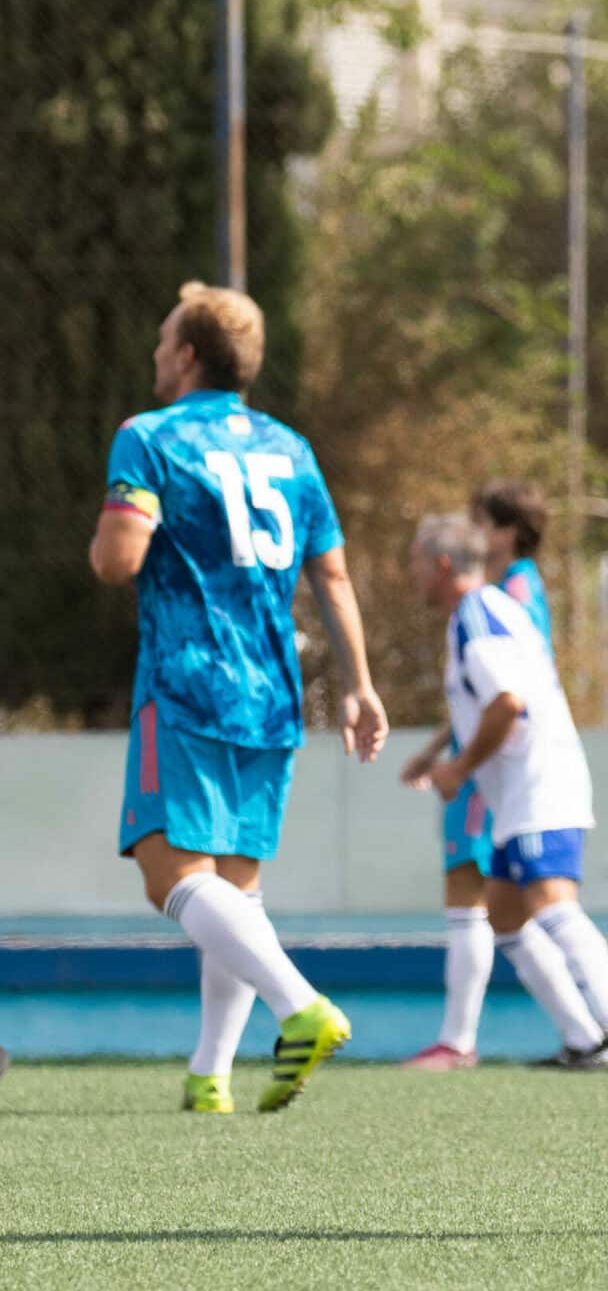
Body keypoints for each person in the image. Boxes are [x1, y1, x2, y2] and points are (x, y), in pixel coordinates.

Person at [89, 280, 386, 1114]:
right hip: (273, 690)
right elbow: (331, 572)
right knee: (234, 885)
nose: (154, 353)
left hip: (186, 683)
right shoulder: (291, 450)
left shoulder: (147, 438)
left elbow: (117, 561)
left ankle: (302, 1008)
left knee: (169, 873)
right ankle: (210, 1074)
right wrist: (360, 685)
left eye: (161, 340)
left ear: (187, 355)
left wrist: (116, 528)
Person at [408, 514, 608, 1070]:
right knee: (504, 911)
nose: (412, 576)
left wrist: (458, 769)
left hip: (540, 784)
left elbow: (506, 703)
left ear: (442, 565)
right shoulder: (483, 613)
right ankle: (584, 1039)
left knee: (551, 903)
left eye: (416, 563)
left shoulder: (478, 612)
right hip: (521, 792)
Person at [398, 479, 555, 1069]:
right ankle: (595, 1015)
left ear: (506, 533)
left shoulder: (503, 594)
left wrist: (458, 761)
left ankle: (458, 1039)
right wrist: (440, 745)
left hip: (496, 762)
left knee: (472, 886)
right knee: (505, 901)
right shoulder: (509, 592)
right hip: (486, 751)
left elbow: (508, 691)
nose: (475, 535)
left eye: (482, 522)